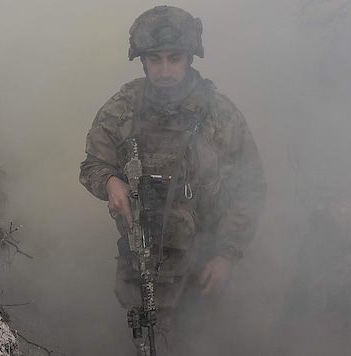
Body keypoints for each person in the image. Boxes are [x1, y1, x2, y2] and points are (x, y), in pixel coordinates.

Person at [79, 5, 267, 355]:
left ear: (190, 58)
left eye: (174, 58)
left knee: (202, 341)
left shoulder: (220, 115)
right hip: (143, 261)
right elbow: (92, 164)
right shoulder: (122, 108)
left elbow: (251, 187)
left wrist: (227, 255)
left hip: (204, 261)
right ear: (142, 60)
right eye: (155, 59)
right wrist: (110, 182)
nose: (165, 70)